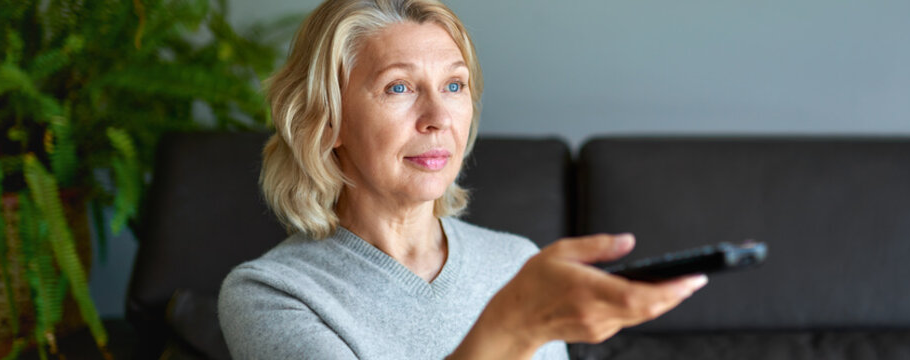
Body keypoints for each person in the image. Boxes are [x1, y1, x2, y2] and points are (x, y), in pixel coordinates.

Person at [217, 0, 709, 358]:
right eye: (399, 87)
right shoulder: (271, 294)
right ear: (328, 122)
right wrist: (510, 328)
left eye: (454, 85)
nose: (438, 117)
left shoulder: (517, 262)